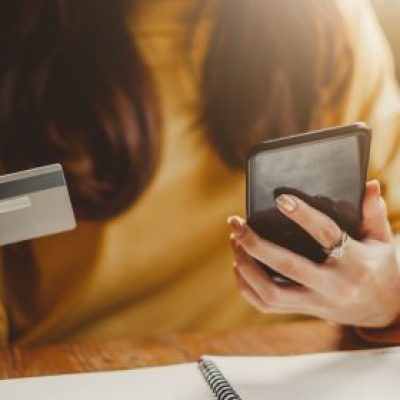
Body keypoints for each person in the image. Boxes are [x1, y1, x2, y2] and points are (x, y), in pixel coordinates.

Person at [0, 0, 399, 346]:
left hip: (288, 367)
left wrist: (387, 293)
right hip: (62, 370)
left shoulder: (328, 23)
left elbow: (392, 226)